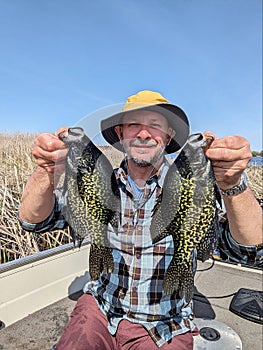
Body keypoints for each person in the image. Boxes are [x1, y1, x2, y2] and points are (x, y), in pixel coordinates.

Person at [19, 90, 263, 349]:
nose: (144, 134)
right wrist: (46, 170)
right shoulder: (99, 180)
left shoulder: (194, 182)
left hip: (166, 324)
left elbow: (247, 252)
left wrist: (232, 184)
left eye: (155, 126)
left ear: (168, 136)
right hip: (100, 308)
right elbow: (34, 222)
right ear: (121, 134)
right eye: (134, 124)